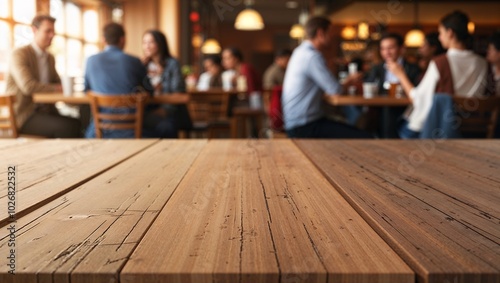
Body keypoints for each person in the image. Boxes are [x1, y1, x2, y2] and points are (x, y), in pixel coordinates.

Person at [388, 10, 488, 138]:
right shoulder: (483, 63)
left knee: (397, 127)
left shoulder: (440, 62)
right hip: (474, 131)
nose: (440, 38)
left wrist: (400, 74)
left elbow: (418, 99)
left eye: (441, 33)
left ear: (450, 33)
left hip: (440, 129)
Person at [281, 16, 372, 139]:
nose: (332, 38)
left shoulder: (299, 52)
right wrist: (350, 80)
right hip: (304, 126)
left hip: (296, 122)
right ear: (320, 33)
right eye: (330, 33)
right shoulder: (312, 56)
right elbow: (335, 90)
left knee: (352, 126)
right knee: (365, 138)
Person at [84, 23, 176, 138]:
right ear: (123, 40)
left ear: (103, 40)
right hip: (132, 127)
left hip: (100, 128)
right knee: (166, 127)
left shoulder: (90, 61)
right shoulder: (134, 61)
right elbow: (150, 92)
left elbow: (86, 91)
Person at [6, 14, 81, 138]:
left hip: (47, 112)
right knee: (69, 127)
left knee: (78, 122)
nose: (52, 35)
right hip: (25, 115)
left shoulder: (49, 57)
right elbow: (28, 87)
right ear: (34, 30)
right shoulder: (19, 54)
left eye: (53, 32)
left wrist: (66, 86)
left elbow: (57, 81)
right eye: (48, 31)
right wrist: (57, 88)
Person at [364, 33, 421, 138]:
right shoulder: (377, 68)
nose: (386, 52)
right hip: (379, 109)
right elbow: (369, 86)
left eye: (390, 48)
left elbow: (417, 93)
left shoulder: (413, 69)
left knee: (389, 111)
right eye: (383, 49)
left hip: (406, 109)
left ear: (401, 49)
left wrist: (400, 75)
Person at [142, 29, 192, 132]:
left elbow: (178, 93)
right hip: (148, 109)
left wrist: (163, 110)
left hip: (171, 110)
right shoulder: (143, 66)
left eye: (151, 42)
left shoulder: (173, 64)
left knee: (165, 127)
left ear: (160, 43)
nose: (147, 46)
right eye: (144, 42)